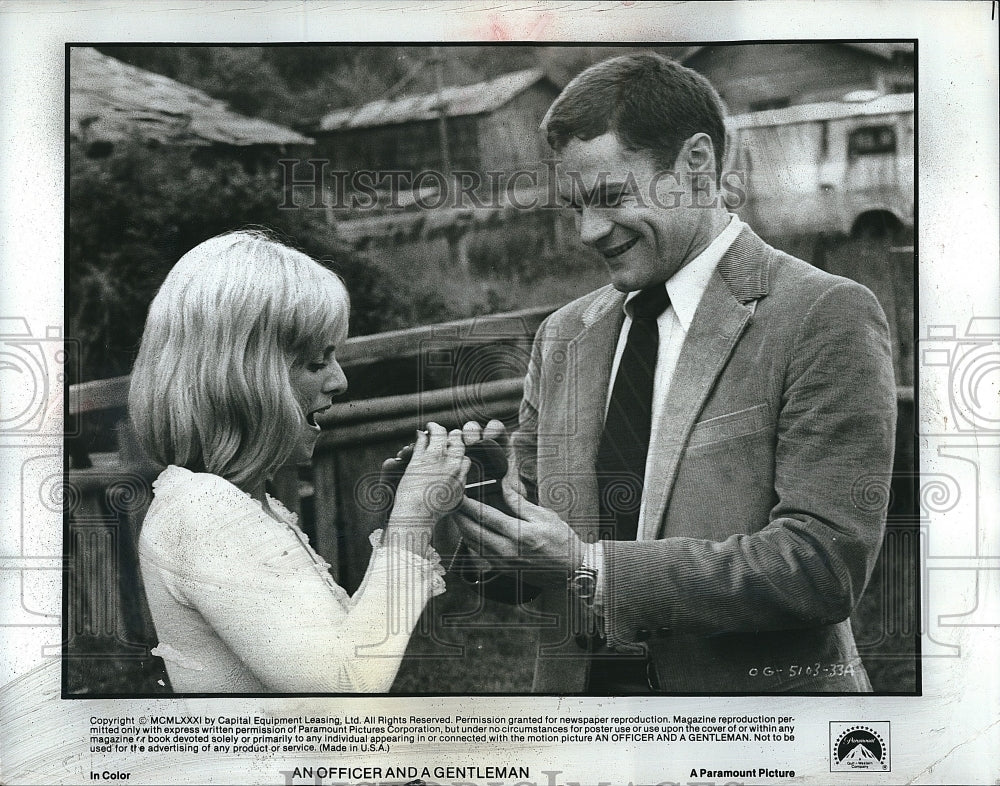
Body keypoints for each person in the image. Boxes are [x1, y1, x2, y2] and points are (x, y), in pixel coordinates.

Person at [454, 53, 897, 693]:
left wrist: (590, 571)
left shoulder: (824, 315)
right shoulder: (564, 335)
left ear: (696, 164)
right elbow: (533, 562)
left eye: (609, 197)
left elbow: (822, 568)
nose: (587, 231)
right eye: (573, 206)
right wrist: (471, 519)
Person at [130, 230, 470, 693]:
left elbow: (337, 648)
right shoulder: (206, 514)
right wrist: (412, 518)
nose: (340, 381)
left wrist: (416, 512)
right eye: (316, 363)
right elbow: (345, 690)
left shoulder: (233, 504)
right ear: (244, 380)